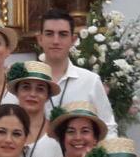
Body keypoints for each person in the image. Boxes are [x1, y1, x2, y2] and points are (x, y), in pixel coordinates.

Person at [36, 7, 117, 135]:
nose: (56, 41)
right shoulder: (28, 81)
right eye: (49, 34)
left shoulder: (90, 81)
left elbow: (109, 127)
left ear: (73, 40)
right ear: (40, 39)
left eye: (63, 34)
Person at [6, 60, 61, 157]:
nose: (32, 94)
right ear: (17, 91)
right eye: (26, 87)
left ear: (48, 95)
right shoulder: (3, 129)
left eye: (40, 89)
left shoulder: (58, 132)